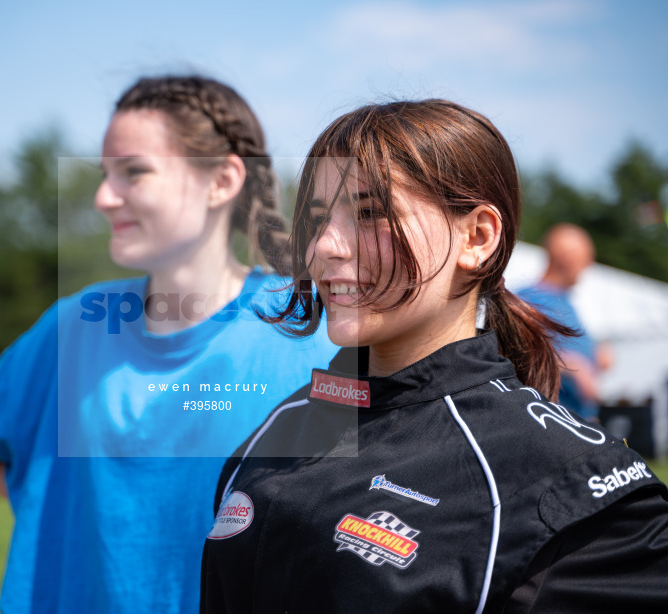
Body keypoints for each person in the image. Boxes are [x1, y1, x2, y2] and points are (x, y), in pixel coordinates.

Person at [201, 100, 668, 613]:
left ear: (477, 237)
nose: (324, 248)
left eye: (369, 213)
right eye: (316, 219)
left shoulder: (571, 488)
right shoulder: (278, 429)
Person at [0, 75, 337, 613]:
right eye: (106, 174)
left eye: (133, 172)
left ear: (222, 180)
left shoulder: (312, 329)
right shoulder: (73, 327)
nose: (103, 197)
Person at [518, 223, 603, 422]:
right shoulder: (525, 301)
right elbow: (511, 353)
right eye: (587, 257)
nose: (590, 264)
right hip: (550, 419)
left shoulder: (568, 302)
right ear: (567, 258)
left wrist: (596, 356)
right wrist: (570, 363)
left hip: (580, 419)